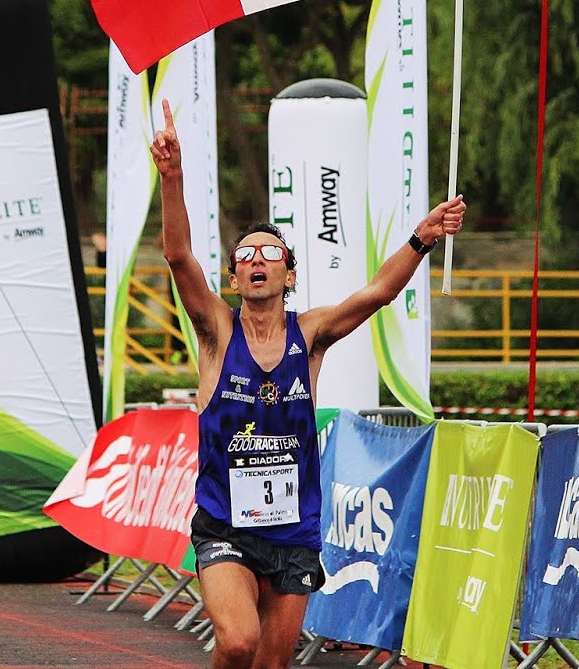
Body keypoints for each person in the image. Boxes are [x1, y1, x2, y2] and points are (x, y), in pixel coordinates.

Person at [149, 98, 464, 669]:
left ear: (289, 274)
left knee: (271, 664)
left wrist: (421, 239)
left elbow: (377, 295)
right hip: (224, 524)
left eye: (272, 253)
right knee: (237, 642)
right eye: (246, 255)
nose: (258, 260)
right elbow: (177, 255)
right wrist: (172, 177)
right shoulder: (217, 332)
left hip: (295, 530)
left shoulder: (311, 333)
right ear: (235, 275)